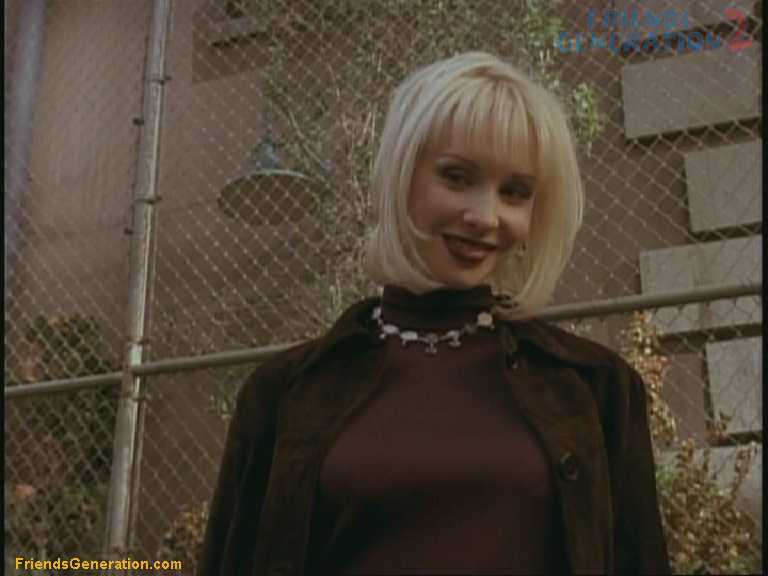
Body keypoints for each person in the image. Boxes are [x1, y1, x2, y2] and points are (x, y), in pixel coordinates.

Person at [197, 51, 671, 576]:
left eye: (514, 192)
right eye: (457, 177)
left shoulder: (597, 389)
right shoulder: (283, 394)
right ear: (403, 176)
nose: (485, 216)